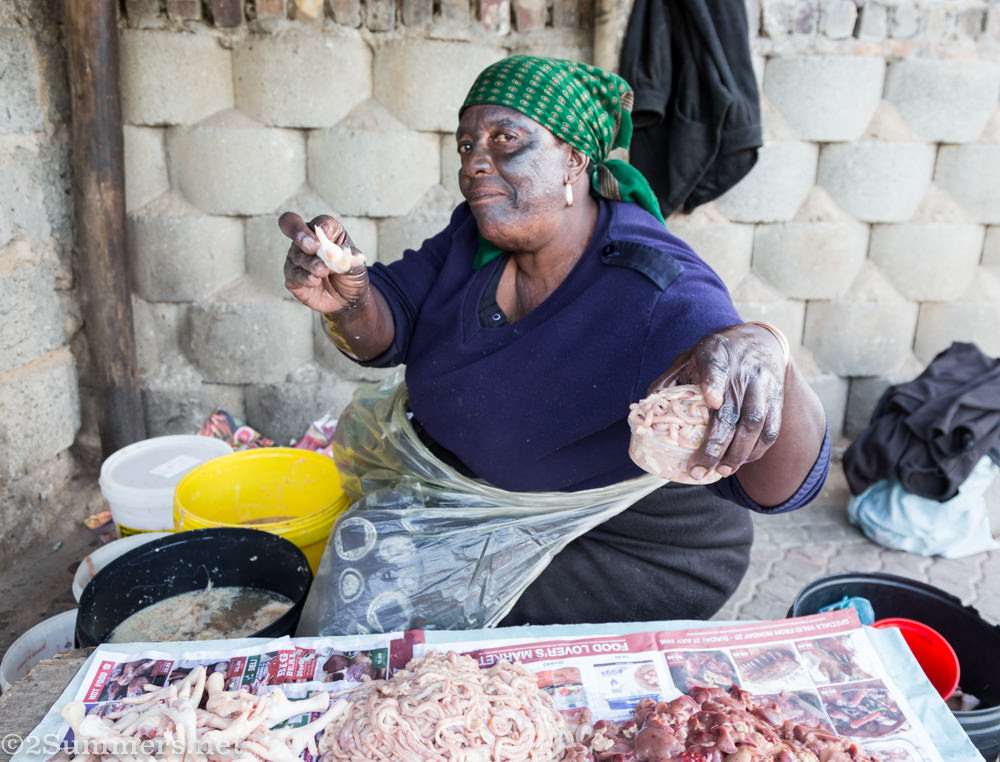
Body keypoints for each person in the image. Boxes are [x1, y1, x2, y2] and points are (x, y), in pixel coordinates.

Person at [279, 55, 829, 626]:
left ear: (573, 159)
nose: (475, 164)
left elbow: (784, 487)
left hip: (623, 553)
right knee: (355, 587)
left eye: (504, 139)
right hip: (490, 513)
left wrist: (769, 353)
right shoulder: (472, 239)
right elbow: (389, 322)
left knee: (434, 665)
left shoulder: (653, 288)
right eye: (467, 146)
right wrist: (348, 299)